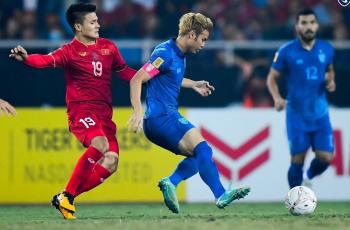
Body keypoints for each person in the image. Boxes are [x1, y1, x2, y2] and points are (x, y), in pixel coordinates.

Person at [9, 3, 136, 219]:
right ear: (78, 26)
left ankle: (65, 196)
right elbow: (46, 60)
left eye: (97, 21)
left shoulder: (109, 48)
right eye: (93, 22)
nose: (98, 25)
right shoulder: (69, 51)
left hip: (105, 116)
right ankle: (67, 195)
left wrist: (150, 76)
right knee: (101, 144)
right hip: (81, 112)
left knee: (112, 161)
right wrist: (27, 59)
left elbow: (125, 72)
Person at [127, 12, 250, 214]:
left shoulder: (179, 55)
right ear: (192, 34)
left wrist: (193, 84)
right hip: (162, 117)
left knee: (199, 155)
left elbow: (170, 78)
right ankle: (219, 194)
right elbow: (137, 79)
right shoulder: (164, 53)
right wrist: (137, 111)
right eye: (203, 39)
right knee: (204, 150)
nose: (204, 44)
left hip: (159, 121)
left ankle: (171, 182)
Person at [266, 9, 336, 189]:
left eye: (312, 22)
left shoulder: (326, 49)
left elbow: (329, 69)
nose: (308, 27)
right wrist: (277, 98)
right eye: (304, 23)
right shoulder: (286, 51)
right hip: (297, 114)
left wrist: (331, 80)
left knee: (325, 158)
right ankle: (294, 196)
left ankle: (308, 176)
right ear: (297, 26)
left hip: (320, 114)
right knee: (297, 159)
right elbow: (272, 77)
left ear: (317, 25)